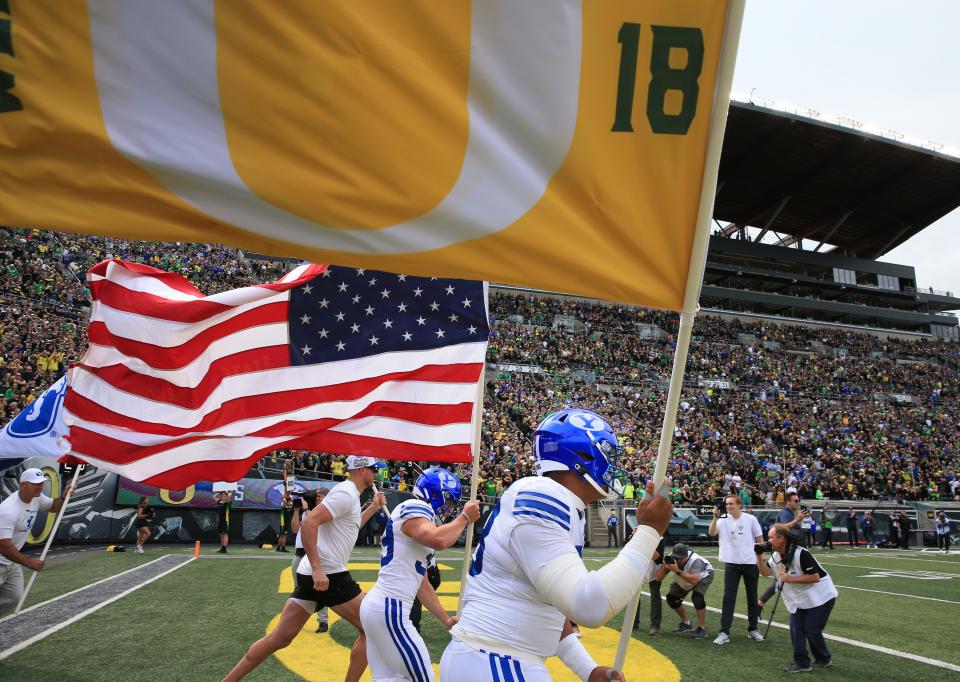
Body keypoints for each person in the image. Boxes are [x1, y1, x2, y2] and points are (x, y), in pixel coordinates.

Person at [441, 408, 672, 681]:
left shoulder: (562, 504)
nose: (612, 465)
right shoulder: (542, 495)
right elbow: (589, 606)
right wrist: (648, 532)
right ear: (584, 457)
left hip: (497, 656)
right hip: (496, 657)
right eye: (607, 455)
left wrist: (588, 669)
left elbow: (550, 609)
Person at [223, 456, 387, 682]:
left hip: (313, 574)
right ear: (361, 470)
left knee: (280, 638)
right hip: (328, 575)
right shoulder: (345, 493)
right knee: (373, 629)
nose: (376, 474)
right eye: (374, 469)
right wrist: (319, 569)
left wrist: (373, 508)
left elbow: (349, 527)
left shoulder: (350, 494)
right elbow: (309, 523)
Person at [360, 466, 481, 681]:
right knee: (422, 677)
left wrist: (445, 620)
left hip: (380, 607)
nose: (450, 508)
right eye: (450, 501)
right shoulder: (415, 506)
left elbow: (422, 585)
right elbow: (439, 540)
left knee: (389, 679)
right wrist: (464, 518)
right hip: (390, 607)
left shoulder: (417, 515)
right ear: (436, 493)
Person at [757, 525, 838, 673]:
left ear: (781, 539)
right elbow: (765, 572)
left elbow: (815, 577)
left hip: (821, 597)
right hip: (798, 599)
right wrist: (758, 555)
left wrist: (791, 579)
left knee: (812, 630)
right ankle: (802, 663)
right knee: (796, 630)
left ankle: (823, 658)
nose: (768, 540)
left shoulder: (801, 554)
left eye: (771, 537)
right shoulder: (775, 556)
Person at [0, 468, 73, 617]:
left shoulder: (36, 497)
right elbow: (4, 546)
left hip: (12, 560)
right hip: (2, 559)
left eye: (41, 483)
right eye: (35, 484)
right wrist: (29, 563)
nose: (40, 486)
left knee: (14, 598)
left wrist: (64, 497)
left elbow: (53, 506)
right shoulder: (8, 510)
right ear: (23, 485)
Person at [709, 494, 764, 644]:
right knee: (728, 598)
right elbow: (712, 533)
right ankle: (724, 632)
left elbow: (760, 539)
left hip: (750, 562)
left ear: (739, 505)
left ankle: (753, 629)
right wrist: (714, 517)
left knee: (752, 597)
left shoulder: (750, 519)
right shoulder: (722, 520)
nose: (728, 506)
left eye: (731, 504)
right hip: (731, 563)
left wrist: (761, 558)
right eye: (727, 504)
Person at [291, 488, 330, 633]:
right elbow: (295, 529)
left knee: (321, 589)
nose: (317, 498)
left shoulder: (325, 511)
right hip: (300, 553)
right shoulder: (306, 511)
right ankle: (296, 621)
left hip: (315, 554)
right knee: (298, 589)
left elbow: (312, 525)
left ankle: (323, 621)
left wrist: (307, 509)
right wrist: (296, 510)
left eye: (320, 495)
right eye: (316, 495)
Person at [663, 543, 715, 639]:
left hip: (703, 576)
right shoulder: (672, 557)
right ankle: (686, 623)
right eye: (676, 557)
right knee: (672, 598)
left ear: (686, 556)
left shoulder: (696, 561)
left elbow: (694, 580)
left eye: (680, 558)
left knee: (697, 598)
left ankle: (702, 628)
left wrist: (677, 570)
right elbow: (662, 572)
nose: (677, 560)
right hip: (686, 574)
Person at [632, 536, 666, 635]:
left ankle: (655, 626)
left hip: (654, 570)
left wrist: (645, 544)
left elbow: (659, 559)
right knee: (634, 596)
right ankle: (633, 624)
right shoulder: (636, 535)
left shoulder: (659, 538)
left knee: (655, 595)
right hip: (638, 569)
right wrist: (635, 538)